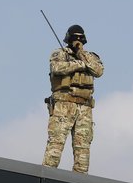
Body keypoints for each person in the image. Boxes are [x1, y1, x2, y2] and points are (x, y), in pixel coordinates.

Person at [42, 24, 104, 173]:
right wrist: (80, 64)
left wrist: (82, 54)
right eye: (75, 38)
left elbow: (98, 70)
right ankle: (46, 179)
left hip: (85, 108)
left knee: (82, 153)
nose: (78, 40)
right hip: (64, 105)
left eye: (80, 38)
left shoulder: (90, 56)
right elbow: (57, 68)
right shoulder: (60, 54)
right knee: (55, 148)